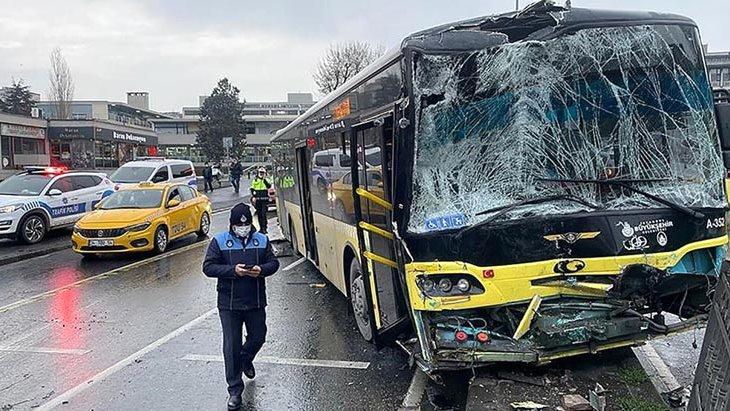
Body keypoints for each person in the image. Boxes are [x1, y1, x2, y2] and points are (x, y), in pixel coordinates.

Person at [202, 203, 279, 410]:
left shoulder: (261, 240)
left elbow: (274, 263)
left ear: (250, 223)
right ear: (232, 225)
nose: (242, 228)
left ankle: (245, 359)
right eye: (238, 225)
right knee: (231, 346)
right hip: (229, 304)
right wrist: (232, 270)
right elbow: (208, 267)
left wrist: (260, 269)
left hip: (255, 301)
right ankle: (235, 390)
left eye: (245, 224)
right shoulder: (219, 241)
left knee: (259, 336)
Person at [250, 167, 272, 234]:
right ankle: (261, 228)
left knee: (263, 214)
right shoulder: (255, 180)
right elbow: (252, 189)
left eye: (263, 173)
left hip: (265, 199)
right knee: (259, 214)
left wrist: (264, 179)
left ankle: (264, 228)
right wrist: (254, 197)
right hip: (258, 200)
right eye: (260, 173)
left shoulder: (267, 180)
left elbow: (268, 186)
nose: (261, 174)